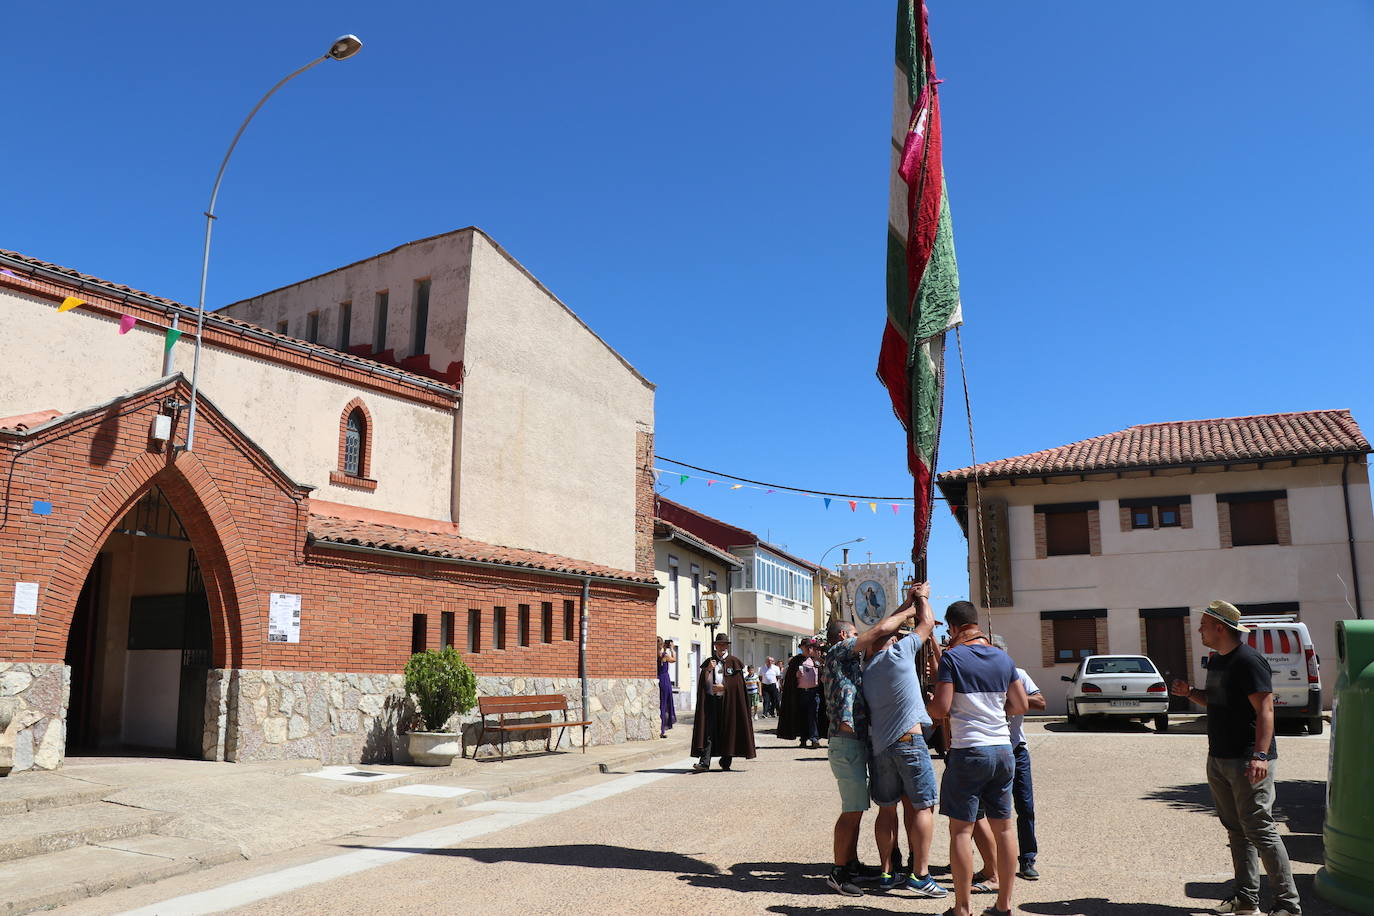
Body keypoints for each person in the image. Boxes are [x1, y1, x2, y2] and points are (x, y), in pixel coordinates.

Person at [1171, 600, 1300, 916]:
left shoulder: (1249, 661)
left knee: (1260, 829)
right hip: (1219, 757)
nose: (1198, 629)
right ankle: (1245, 900)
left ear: (1219, 627)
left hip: (1247, 760)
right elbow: (1214, 701)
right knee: (1236, 830)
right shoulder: (1217, 660)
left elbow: (1266, 710)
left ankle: (1288, 904)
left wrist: (1260, 755)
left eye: (1203, 624)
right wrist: (1189, 692)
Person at [927, 601, 1028, 916]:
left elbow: (942, 710)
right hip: (1002, 749)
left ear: (954, 627)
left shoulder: (952, 658)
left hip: (969, 750)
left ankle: (963, 907)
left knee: (961, 830)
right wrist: (996, 712)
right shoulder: (1003, 657)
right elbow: (1021, 703)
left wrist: (929, 703)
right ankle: (1004, 904)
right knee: (1005, 828)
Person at [857, 582, 947, 899]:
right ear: (891, 640)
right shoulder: (899, 653)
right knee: (924, 807)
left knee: (886, 810)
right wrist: (921, 598)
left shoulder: (867, 666)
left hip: (880, 746)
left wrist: (905, 604)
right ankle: (920, 875)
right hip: (909, 740)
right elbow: (926, 624)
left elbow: (882, 630)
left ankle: (886, 871)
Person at [822, 618, 885, 896]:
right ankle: (838, 872)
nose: (862, 640)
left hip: (851, 741)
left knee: (856, 808)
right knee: (851, 810)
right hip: (845, 742)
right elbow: (880, 631)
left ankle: (851, 863)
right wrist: (907, 611)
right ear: (844, 635)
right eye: (857, 635)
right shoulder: (837, 651)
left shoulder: (846, 663)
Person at [691, 633, 757, 771]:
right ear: (715, 646)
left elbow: (739, 685)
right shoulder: (709, 662)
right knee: (709, 730)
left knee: (729, 730)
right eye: (720, 644)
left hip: (730, 703)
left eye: (725, 644)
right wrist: (708, 669)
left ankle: (726, 760)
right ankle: (704, 762)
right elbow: (703, 684)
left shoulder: (735, 662)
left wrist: (725, 687)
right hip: (712, 702)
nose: (722, 647)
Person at [778, 641, 827, 748]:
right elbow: (789, 678)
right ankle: (803, 738)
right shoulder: (796, 661)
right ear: (802, 648)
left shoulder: (816, 660)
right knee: (802, 715)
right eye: (806, 647)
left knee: (813, 715)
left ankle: (814, 738)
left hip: (814, 692)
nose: (809, 649)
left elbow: (823, 674)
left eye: (811, 647)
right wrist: (795, 675)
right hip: (800, 693)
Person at [657, 637, 677, 739]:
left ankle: (660, 728)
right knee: (665, 704)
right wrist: (672, 648)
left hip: (658, 678)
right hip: (665, 679)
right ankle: (662, 729)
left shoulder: (656, 655)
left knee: (661, 703)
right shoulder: (664, 655)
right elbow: (674, 659)